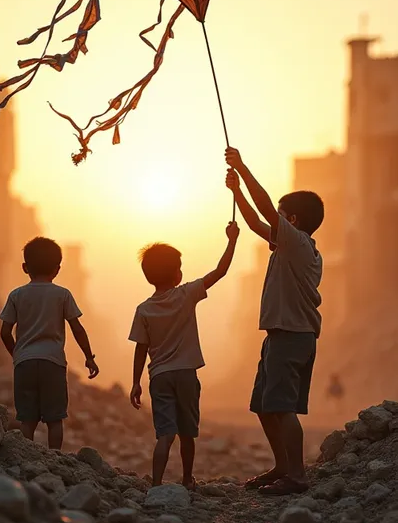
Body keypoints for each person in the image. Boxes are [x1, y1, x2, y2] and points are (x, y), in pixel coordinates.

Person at [225, 147, 324, 495]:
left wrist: (244, 168)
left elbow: (264, 209)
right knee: (265, 407)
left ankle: (296, 476)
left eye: (281, 217)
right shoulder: (293, 245)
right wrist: (236, 191)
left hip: (292, 336)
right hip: (280, 337)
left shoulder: (297, 244)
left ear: (292, 222)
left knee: (282, 408)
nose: (274, 222)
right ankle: (282, 466)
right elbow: (255, 222)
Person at [129, 222, 240, 488]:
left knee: (165, 435)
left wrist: (135, 382)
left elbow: (140, 349)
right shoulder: (187, 294)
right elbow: (220, 271)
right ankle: (187, 479)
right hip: (186, 375)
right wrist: (232, 240)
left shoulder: (143, 309)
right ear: (177, 275)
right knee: (187, 434)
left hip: (160, 377)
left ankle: (156, 484)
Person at [0, 237, 99, 450]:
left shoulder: (16, 295)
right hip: (52, 362)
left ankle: (27, 457)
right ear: (57, 269)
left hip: (24, 363)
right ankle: (55, 457)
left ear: (25, 267)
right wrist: (89, 357)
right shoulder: (62, 295)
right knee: (55, 419)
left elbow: (5, 332)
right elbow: (77, 329)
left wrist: (17, 354)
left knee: (27, 420)